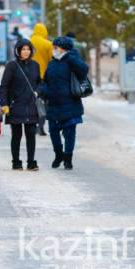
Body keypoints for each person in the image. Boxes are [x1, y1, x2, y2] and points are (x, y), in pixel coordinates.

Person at [39, 36, 89, 170]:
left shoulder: (73, 60)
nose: (54, 49)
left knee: (69, 132)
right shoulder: (52, 63)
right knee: (53, 132)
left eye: (57, 47)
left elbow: (84, 70)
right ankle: (58, 154)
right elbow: (45, 80)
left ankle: (68, 158)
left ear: (64, 49)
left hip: (70, 103)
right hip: (53, 103)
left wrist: (70, 57)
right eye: (54, 47)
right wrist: (43, 90)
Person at [0, 39, 41, 171]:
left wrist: (38, 91)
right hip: (15, 105)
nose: (26, 52)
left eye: (28, 49)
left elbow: (40, 83)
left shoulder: (35, 65)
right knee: (16, 135)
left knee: (31, 134)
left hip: (31, 104)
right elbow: (4, 86)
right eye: (23, 49)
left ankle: (31, 162)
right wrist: (4, 103)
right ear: (18, 51)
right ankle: (16, 162)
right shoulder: (11, 66)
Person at [30, 23, 53, 136]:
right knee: (43, 102)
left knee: (31, 102)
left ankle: (32, 125)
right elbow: (51, 61)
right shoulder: (48, 44)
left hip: (30, 77)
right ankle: (41, 125)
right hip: (43, 77)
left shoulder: (28, 43)